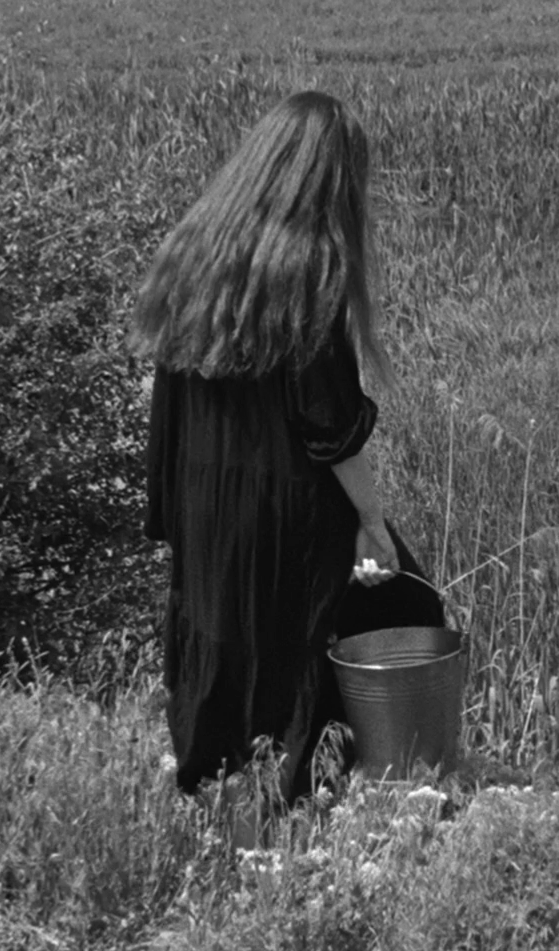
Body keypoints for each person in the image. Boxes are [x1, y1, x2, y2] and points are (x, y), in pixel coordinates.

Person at [134, 90, 431, 806]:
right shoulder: (308, 268)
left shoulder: (192, 251)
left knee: (227, 645)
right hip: (286, 509)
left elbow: (168, 397)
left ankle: (228, 799)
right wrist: (371, 522)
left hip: (203, 500)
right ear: (329, 179)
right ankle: (347, 798)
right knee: (408, 614)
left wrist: (168, 509)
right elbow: (329, 426)